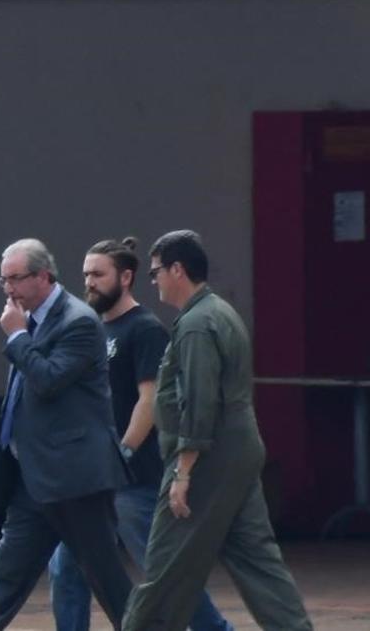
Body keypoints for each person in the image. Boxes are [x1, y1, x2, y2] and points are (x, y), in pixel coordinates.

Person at [123, 230, 312, 631]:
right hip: (238, 451)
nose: (153, 279)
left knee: (166, 563)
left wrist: (182, 471)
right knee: (257, 560)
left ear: (178, 269)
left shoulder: (195, 324)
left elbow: (199, 401)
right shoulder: (219, 312)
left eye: (156, 271)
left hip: (207, 457)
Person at [48, 238, 232, 631]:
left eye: (98, 274)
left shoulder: (144, 329)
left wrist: (123, 452)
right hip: (91, 478)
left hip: (132, 478)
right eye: (85, 274)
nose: (89, 282)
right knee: (67, 569)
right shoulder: (90, 327)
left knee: (164, 572)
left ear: (126, 277)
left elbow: (149, 400)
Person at [0, 238, 132, 631]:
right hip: (32, 477)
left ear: (43, 276)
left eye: (16, 279)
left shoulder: (77, 321)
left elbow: (48, 380)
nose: (8, 289)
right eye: (3, 280)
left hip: (75, 479)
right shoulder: (29, 319)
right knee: (7, 577)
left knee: (107, 580)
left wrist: (16, 338)